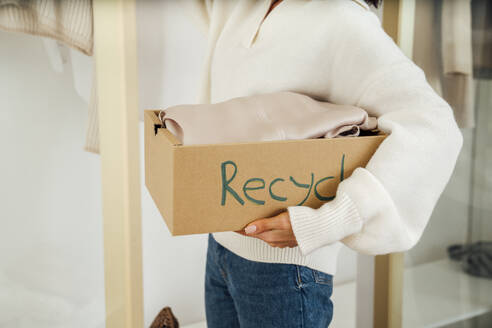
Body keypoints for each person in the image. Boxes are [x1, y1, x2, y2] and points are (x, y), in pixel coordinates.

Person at [184, 0, 464, 327]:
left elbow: (433, 126)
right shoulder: (240, 7)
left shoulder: (342, 20)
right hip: (220, 247)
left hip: (286, 272)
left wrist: (330, 220)